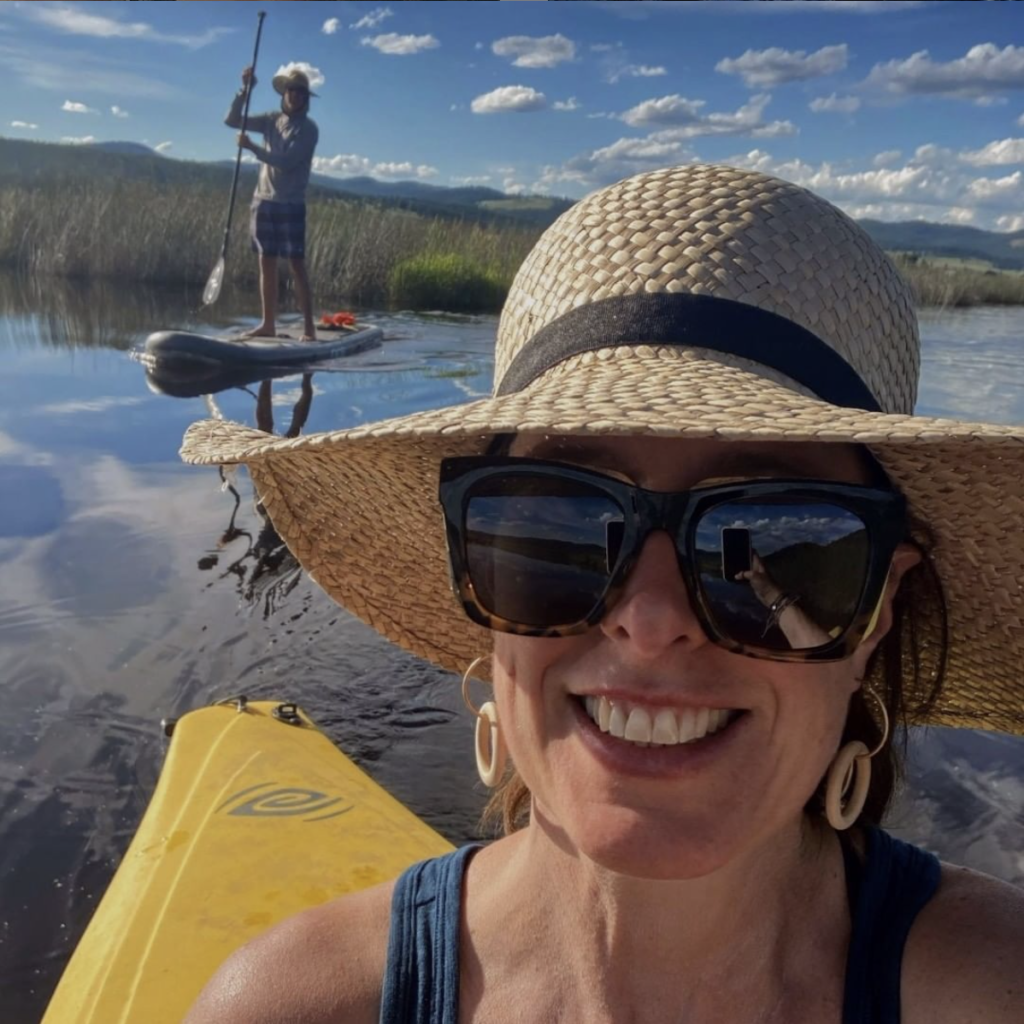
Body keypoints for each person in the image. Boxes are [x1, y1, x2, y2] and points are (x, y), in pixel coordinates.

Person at [181, 164, 1023, 1023]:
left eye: (776, 529)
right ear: (474, 568)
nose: (651, 622)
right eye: (563, 528)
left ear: (878, 608)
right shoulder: (294, 1006)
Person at [225, 65, 319, 341]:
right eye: (292, 90)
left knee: (296, 264)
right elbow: (232, 120)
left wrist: (252, 148)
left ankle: (309, 329)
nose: (296, 95)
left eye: (301, 92)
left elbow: (288, 163)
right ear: (284, 93)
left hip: (290, 203)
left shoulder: (308, 130)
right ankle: (268, 324)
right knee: (266, 261)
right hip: (263, 200)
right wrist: (245, 90)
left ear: (306, 98)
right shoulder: (270, 120)